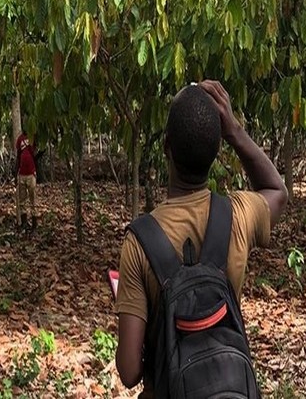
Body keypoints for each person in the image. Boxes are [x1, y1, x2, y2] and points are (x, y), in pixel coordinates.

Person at [115, 81, 288, 397]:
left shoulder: (139, 242)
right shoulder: (238, 215)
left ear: (166, 147)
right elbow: (277, 190)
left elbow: (128, 371)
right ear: (219, 150)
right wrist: (234, 130)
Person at [15, 129, 43, 232]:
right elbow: (18, 156)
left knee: (33, 198)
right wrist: (16, 173)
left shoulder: (33, 138)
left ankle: (35, 223)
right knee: (22, 200)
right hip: (21, 174)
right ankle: (24, 222)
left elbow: (35, 155)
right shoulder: (20, 139)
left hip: (31, 173)